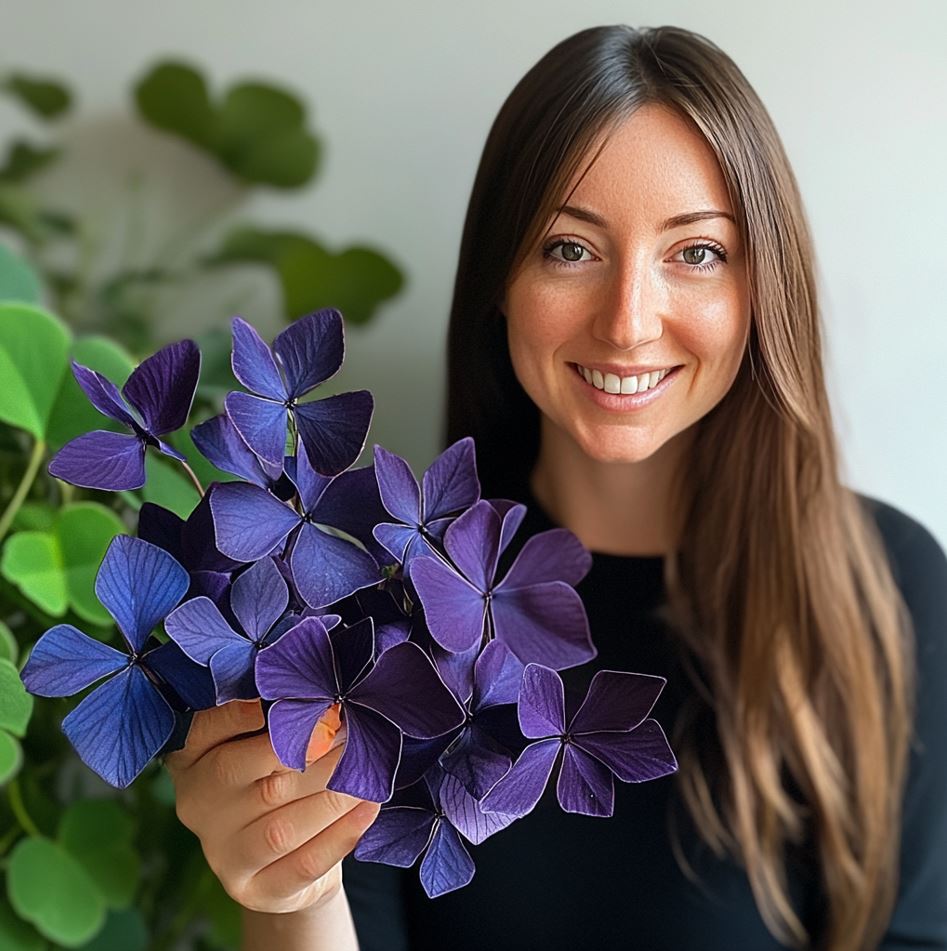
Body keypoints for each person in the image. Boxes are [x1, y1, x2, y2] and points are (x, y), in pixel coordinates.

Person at [166, 24, 947, 951]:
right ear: (501, 276)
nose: (627, 322)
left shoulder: (886, 583)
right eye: (570, 249)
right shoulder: (372, 593)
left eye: (695, 252)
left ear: (760, 286)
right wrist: (287, 891)